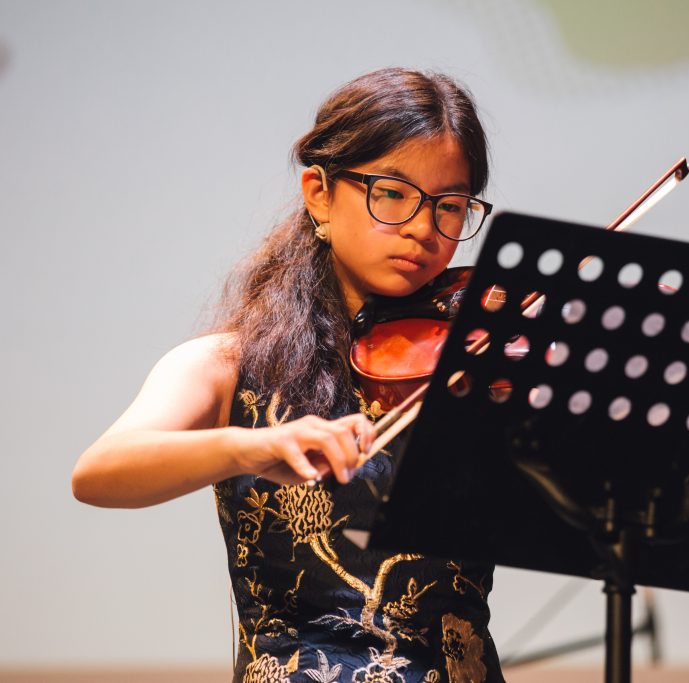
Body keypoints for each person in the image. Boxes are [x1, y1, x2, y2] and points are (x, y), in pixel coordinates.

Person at [72, 67, 503, 683]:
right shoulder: (227, 365)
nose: (421, 227)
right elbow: (98, 472)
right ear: (320, 194)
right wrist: (253, 444)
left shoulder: (476, 365)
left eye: (450, 206)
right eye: (392, 193)